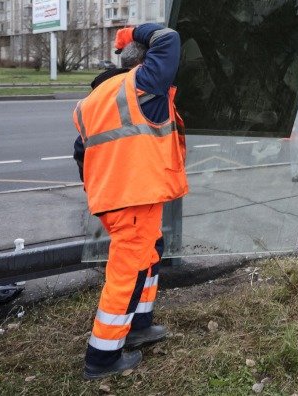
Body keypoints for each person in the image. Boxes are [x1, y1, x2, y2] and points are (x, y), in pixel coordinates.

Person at [72, 23, 188, 379]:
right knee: (127, 273)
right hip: (133, 198)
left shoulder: (94, 100)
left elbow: (81, 152)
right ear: (144, 64)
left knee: (150, 253)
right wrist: (131, 33)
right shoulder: (141, 85)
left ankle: (139, 325)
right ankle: (102, 358)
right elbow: (167, 37)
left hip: (117, 197)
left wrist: (103, 190)